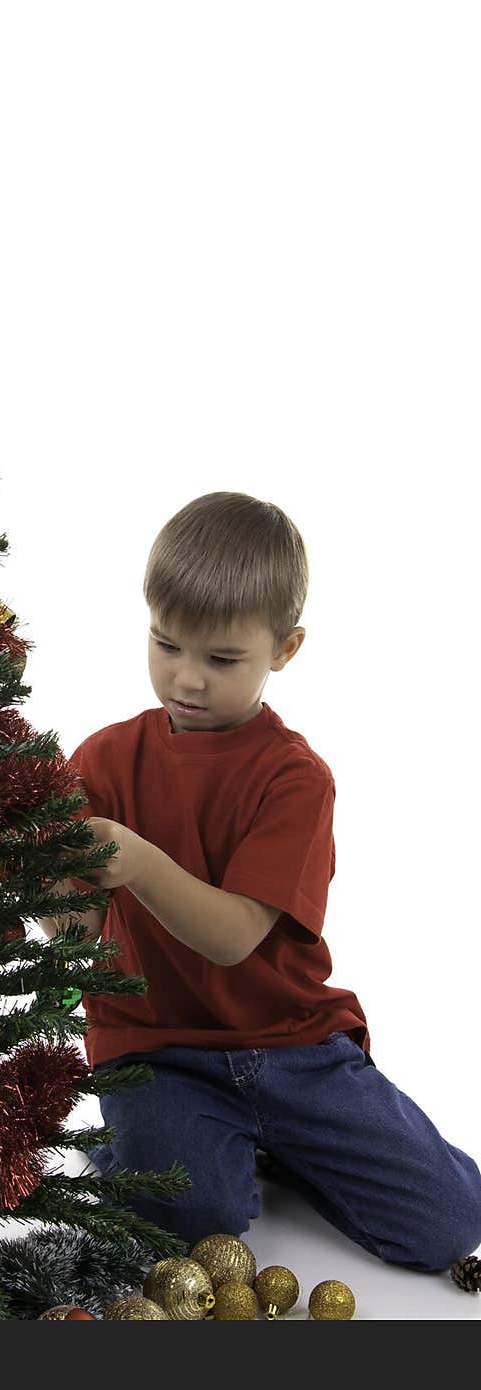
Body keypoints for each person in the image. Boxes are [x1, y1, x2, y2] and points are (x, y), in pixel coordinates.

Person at [36, 491, 481, 1272]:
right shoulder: (104, 760)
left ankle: (277, 1146)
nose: (187, 679)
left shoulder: (294, 779)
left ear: (286, 648)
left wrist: (137, 860)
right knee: (193, 1223)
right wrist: (40, 881)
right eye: (167, 644)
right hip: (157, 1046)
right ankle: (157, 1144)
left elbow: (236, 936)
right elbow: (72, 936)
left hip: (295, 1044)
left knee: (452, 1222)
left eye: (221, 659)